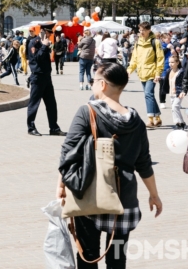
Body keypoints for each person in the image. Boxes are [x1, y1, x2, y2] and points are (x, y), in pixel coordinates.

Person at [57, 62, 162, 268]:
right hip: (124, 200)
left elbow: (68, 152)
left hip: (89, 195)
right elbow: (144, 162)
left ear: (103, 85)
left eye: (94, 80)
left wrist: (61, 186)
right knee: (117, 259)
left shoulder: (87, 112)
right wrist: (154, 195)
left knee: (88, 255)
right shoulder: (136, 120)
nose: (92, 84)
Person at [127, 22, 165, 128]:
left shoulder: (155, 42)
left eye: (143, 30)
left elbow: (160, 58)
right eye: (140, 30)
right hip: (141, 73)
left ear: (149, 30)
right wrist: (129, 70)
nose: (141, 32)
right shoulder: (138, 42)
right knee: (149, 96)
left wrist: (158, 73)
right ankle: (158, 118)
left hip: (152, 73)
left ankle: (150, 120)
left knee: (148, 94)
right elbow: (134, 58)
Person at [27, 32, 65, 136]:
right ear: (42, 32)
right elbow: (37, 58)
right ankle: (31, 128)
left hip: (46, 77)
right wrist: (44, 46)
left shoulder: (46, 42)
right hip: (37, 77)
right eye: (48, 32)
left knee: (51, 104)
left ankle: (54, 128)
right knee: (34, 104)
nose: (49, 35)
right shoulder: (33, 43)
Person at [168, 54, 186, 129]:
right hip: (171, 93)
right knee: (174, 108)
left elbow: (184, 81)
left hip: (178, 93)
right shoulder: (169, 71)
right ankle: (180, 123)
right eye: (169, 62)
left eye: (172, 62)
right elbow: (166, 80)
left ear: (177, 62)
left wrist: (183, 91)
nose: (170, 64)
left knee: (175, 107)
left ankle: (179, 123)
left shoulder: (181, 72)